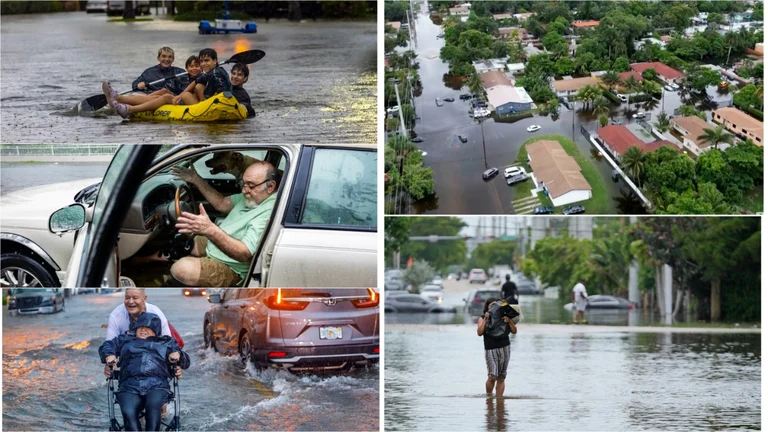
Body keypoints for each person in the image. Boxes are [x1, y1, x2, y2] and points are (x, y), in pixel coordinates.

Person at [168, 160, 278, 287]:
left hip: (232, 267)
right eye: (243, 184)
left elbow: (244, 253)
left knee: (181, 269)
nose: (244, 190)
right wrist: (195, 178)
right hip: (218, 245)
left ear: (270, 187)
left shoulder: (270, 211)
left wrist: (210, 229)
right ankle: (145, 260)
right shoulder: (253, 196)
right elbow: (221, 203)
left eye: (251, 186)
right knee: (180, 242)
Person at [99, 312, 190, 432]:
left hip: (157, 385)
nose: (143, 330)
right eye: (140, 327)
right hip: (129, 385)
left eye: (148, 327)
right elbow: (107, 346)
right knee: (128, 410)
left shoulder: (166, 342)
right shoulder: (125, 340)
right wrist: (109, 355)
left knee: (153, 406)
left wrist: (178, 354)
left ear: (156, 330)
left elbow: (186, 362)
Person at [477, 298, 517, 397]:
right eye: (491, 306)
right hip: (490, 348)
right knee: (492, 376)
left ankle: (499, 400)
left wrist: (509, 321)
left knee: (501, 376)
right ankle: (489, 397)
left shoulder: (505, 317)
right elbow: (479, 332)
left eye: (495, 306)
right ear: (487, 307)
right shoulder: (483, 318)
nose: (494, 308)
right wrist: (486, 319)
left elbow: (514, 331)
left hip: (505, 347)